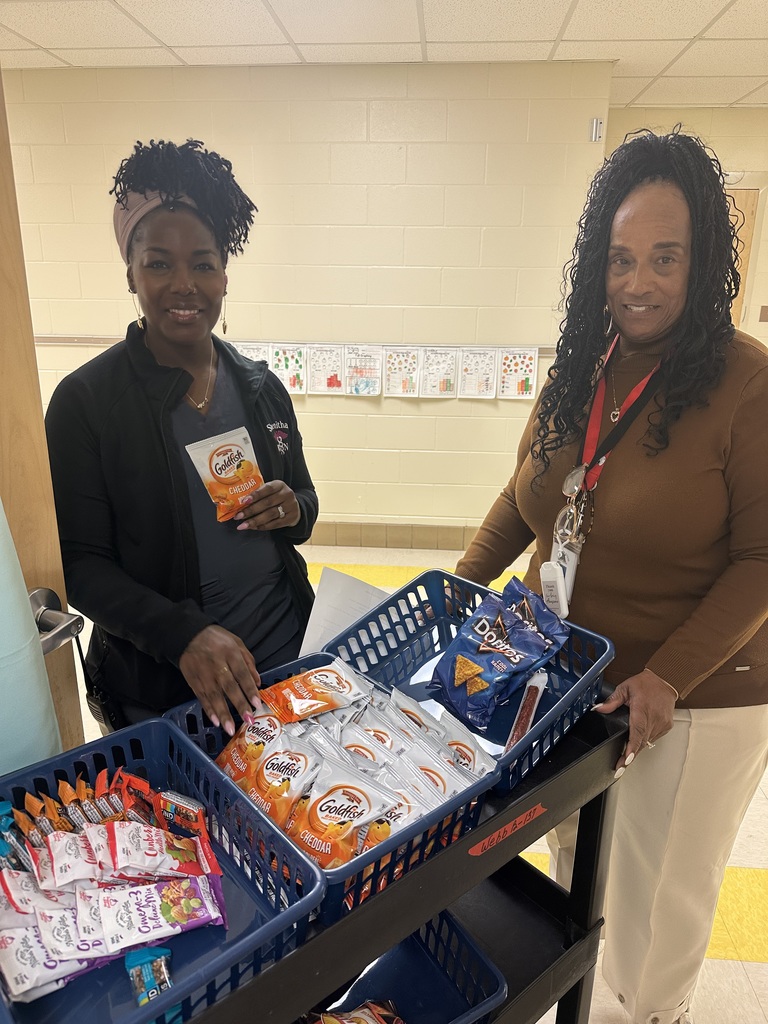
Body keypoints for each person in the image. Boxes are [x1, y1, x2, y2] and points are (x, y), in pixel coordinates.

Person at [455, 128, 768, 1024]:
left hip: (697, 697)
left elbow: (762, 560)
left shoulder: (747, 385)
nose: (638, 283)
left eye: (665, 259)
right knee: (579, 883)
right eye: (622, 258)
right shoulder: (583, 369)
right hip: (578, 681)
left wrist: (669, 673)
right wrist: (460, 594)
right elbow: (525, 499)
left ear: (703, 263)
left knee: (651, 913)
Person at [45, 139, 318, 736]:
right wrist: (183, 634)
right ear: (130, 273)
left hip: (284, 666)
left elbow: (306, 508)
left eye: (203, 262)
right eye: (159, 263)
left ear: (224, 273)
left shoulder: (260, 387)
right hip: (168, 694)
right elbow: (82, 565)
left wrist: (290, 507)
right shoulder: (87, 403)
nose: (184, 284)